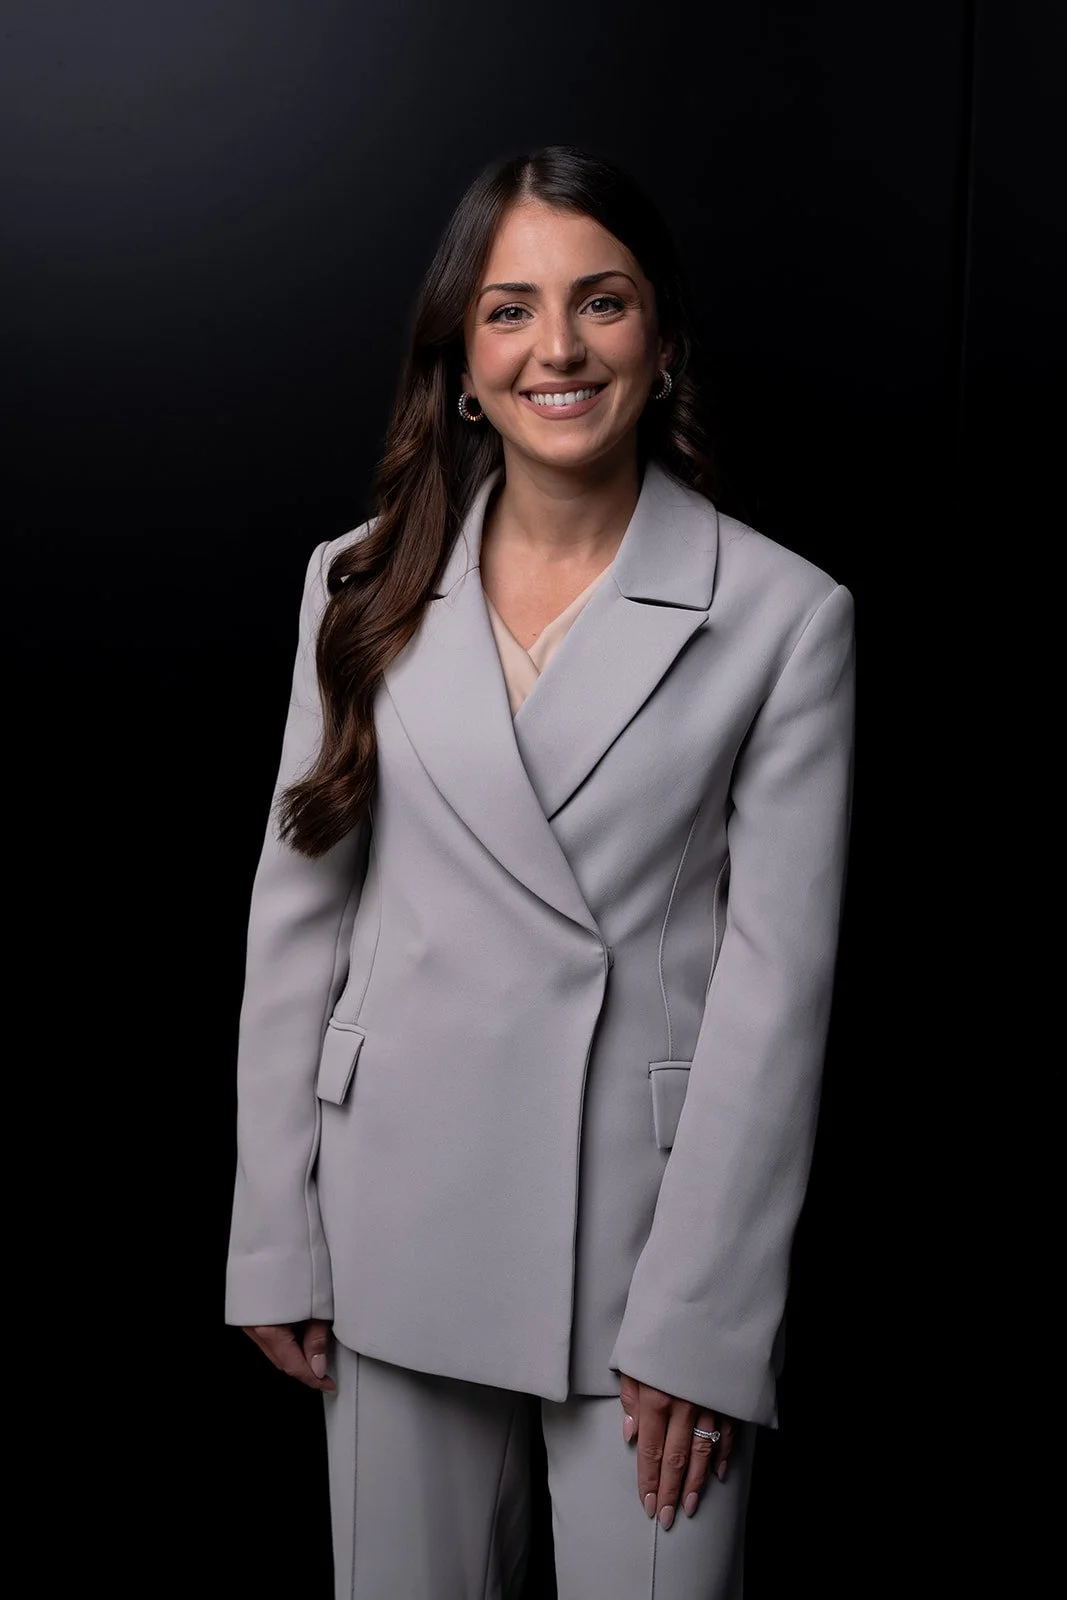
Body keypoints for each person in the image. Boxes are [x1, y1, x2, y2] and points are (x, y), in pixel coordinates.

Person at [225, 144, 855, 1600]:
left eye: (601, 302)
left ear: (663, 338)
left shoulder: (781, 617)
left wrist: (706, 1320)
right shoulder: (358, 583)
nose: (556, 349)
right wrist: (271, 1236)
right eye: (509, 310)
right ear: (460, 359)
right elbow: (296, 919)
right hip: (392, 1217)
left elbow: (776, 995)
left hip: (646, 1251)